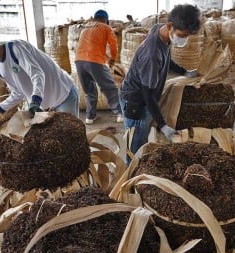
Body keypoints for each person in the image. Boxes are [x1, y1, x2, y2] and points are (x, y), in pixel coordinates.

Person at [119, 4, 201, 165]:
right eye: (182, 35)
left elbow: (166, 58)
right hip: (136, 104)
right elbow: (147, 96)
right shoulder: (151, 55)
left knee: (141, 141)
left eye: (187, 36)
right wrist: (163, 125)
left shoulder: (160, 29)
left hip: (143, 95)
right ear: (170, 26)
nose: (184, 39)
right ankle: (131, 180)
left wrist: (184, 71)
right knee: (135, 149)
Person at [0, 31, 80, 119]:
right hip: (43, 107)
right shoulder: (1, 69)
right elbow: (18, 93)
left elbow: (37, 74)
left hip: (64, 96)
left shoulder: (16, 48)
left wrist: (35, 101)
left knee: (71, 138)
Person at [75, 9, 123, 124]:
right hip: (95, 61)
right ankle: (120, 114)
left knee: (89, 90)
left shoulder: (85, 29)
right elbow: (113, 46)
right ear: (106, 20)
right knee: (109, 88)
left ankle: (90, 117)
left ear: (94, 18)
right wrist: (112, 60)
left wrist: (107, 58)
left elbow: (91, 47)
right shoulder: (106, 28)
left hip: (79, 61)